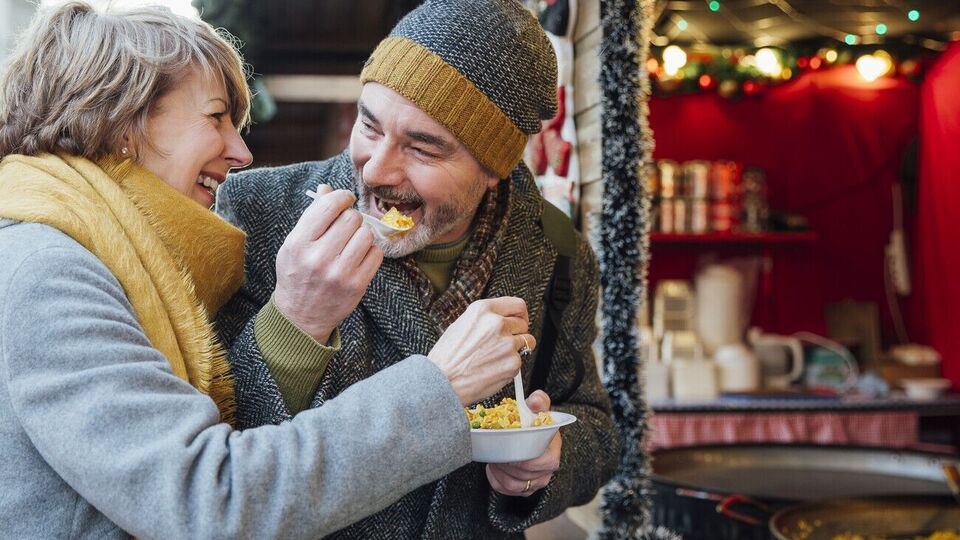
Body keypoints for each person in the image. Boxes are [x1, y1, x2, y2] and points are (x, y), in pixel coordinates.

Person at [0, 3, 536, 539]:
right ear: (119, 120)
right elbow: (207, 501)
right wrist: (438, 389)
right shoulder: (50, 272)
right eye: (216, 117)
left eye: (423, 147)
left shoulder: (124, 255)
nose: (241, 151)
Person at [215, 0, 620, 537]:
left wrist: (548, 466)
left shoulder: (558, 250)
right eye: (369, 125)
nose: (377, 170)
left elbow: (594, 423)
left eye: (424, 149)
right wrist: (294, 321)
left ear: (494, 168)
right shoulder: (256, 213)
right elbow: (211, 462)